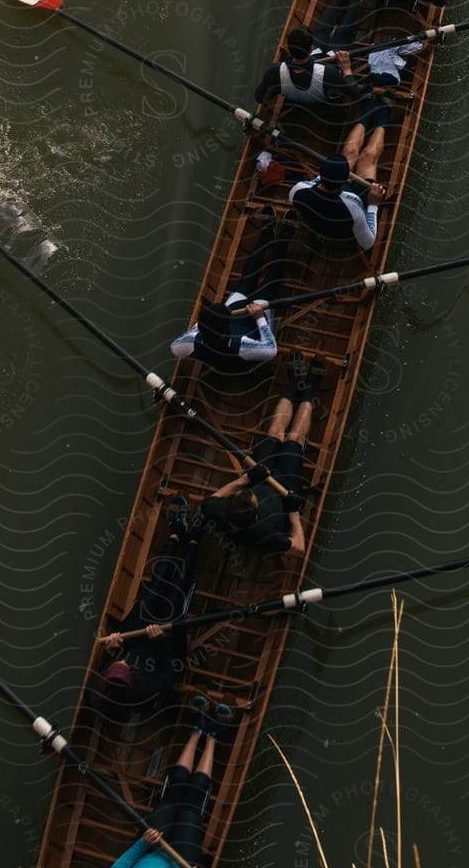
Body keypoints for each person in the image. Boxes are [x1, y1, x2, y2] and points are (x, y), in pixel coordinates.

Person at [200, 358, 322, 555]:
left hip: (260, 476)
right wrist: (293, 513)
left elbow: (212, 499)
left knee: (274, 432)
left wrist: (246, 479)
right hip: (285, 492)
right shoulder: (261, 534)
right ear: (256, 515)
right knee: (294, 438)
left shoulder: (217, 511)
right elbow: (299, 548)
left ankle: (293, 383)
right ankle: (310, 390)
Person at [96, 499, 198, 716]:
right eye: (124, 665)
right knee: (176, 593)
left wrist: (111, 650)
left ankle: (176, 533)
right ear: (130, 679)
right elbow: (172, 669)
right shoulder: (148, 688)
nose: (122, 662)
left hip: (134, 637)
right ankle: (193, 542)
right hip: (163, 647)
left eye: (117, 663)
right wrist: (160, 639)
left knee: (156, 588)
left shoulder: (104, 679)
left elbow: (108, 662)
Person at [108, 701, 231, 868]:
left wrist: (143, 843)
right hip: (183, 860)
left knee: (175, 786)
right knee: (195, 795)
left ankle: (196, 732)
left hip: (151, 848)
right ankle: (212, 737)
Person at [170, 208, 291, 373]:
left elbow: (174, 347)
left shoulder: (191, 342)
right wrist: (259, 318)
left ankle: (267, 231)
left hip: (225, 320)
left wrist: (206, 323)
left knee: (248, 278)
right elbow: (271, 350)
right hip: (252, 328)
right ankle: (284, 239)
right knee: (269, 284)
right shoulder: (240, 344)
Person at [288, 144, 385, 254]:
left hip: (322, 220)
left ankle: (363, 125)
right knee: (369, 157)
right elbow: (368, 243)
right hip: (341, 239)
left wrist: (333, 171)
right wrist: (373, 205)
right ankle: (380, 126)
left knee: (350, 151)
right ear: (345, 179)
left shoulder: (298, 190)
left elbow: (314, 183)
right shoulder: (353, 205)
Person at [253, 25, 359, 110]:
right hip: (321, 96)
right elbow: (354, 93)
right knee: (341, 32)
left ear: (289, 48)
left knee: (322, 32)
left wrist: (277, 87)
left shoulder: (274, 72)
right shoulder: (329, 73)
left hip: (310, 75)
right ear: (310, 49)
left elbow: (259, 98)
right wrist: (346, 69)